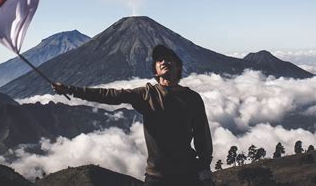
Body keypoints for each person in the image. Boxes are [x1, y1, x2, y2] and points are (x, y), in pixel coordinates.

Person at [52, 45, 214, 186]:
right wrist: (71, 89)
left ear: (178, 67)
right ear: (156, 71)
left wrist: (205, 167)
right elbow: (110, 95)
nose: (164, 62)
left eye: (168, 59)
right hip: (157, 176)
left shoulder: (192, 98)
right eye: (159, 61)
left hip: (188, 173)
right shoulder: (147, 94)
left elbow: (202, 134)